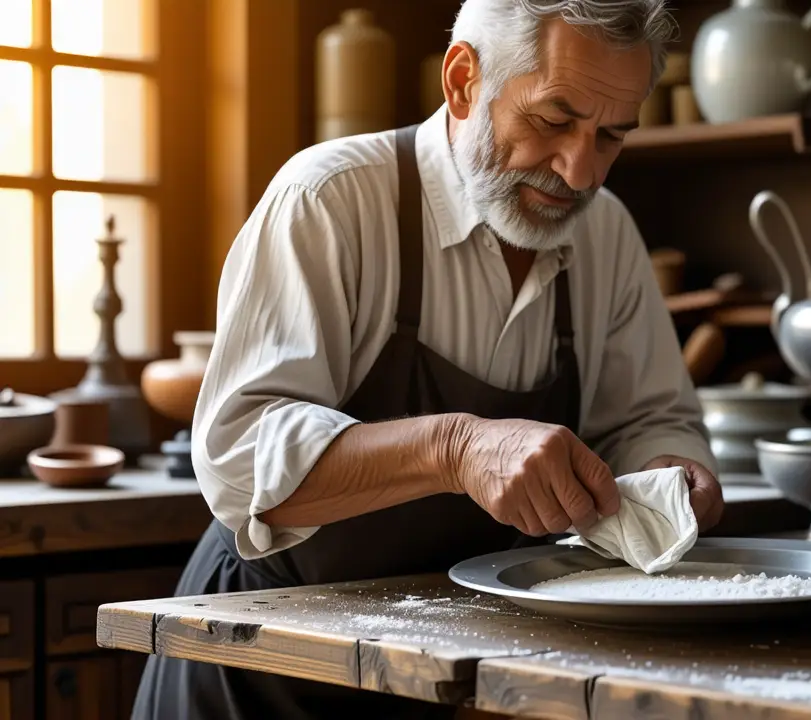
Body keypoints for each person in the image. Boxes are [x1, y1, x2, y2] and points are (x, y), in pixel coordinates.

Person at [131, 1, 723, 717]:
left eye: (611, 136)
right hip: (262, 663)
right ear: (464, 80)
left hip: (449, 670)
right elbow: (238, 456)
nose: (581, 170)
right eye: (553, 120)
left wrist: (668, 469)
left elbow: (648, 417)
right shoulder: (330, 198)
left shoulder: (608, 237)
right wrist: (456, 448)